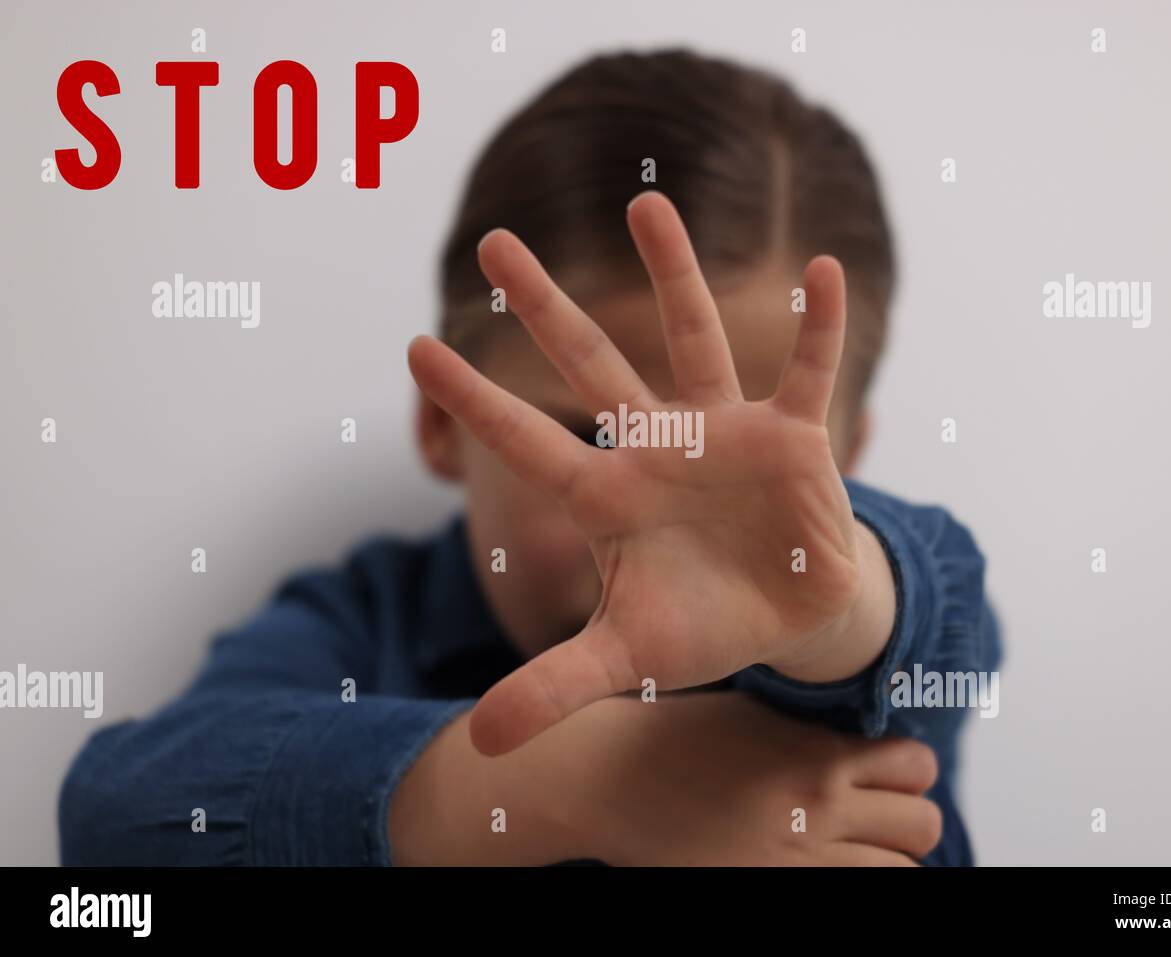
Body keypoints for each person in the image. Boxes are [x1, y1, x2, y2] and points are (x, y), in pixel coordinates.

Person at [59, 48, 1001, 866]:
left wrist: (844, 604)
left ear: (852, 460)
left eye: (761, 483)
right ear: (442, 425)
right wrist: (562, 784)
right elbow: (114, 817)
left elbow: (943, 605)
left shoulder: (882, 672)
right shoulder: (361, 621)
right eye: (594, 439)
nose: (667, 534)